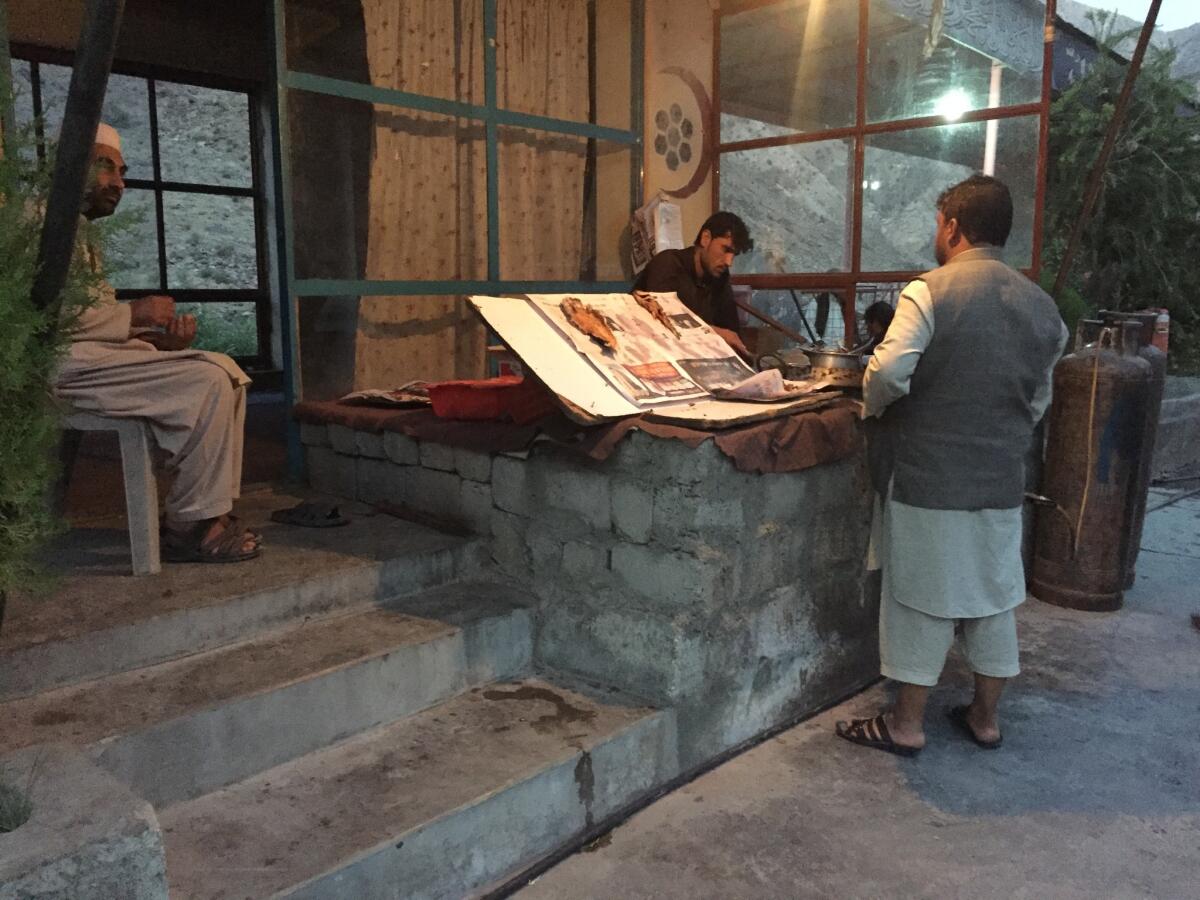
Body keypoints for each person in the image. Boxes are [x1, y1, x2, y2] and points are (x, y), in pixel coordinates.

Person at [836, 174, 1067, 756]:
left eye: (938, 224)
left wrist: (874, 405)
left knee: (919, 599)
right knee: (993, 600)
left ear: (954, 227)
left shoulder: (930, 290)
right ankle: (985, 719)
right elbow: (1038, 400)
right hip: (998, 482)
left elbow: (887, 372)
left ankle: (905, 724)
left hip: (927, 477)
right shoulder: (1043, 308)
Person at [55, 124, 261, 563]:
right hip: (58, 365)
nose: (119, 183)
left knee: (226, 370)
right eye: (105, 166)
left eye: (122, 171)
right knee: (206, 379)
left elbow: (93, 322)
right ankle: (190, 524)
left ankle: (209, 511)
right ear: (70, 163)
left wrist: (157, 340)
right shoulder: (42, 224)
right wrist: (134, 314)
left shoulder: (81, 234)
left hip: (87, 357)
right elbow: (45, 320)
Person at [633, 210, 753, 356]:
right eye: (725, 249)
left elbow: (731, 332)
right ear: (706, 238)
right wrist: (714, 333)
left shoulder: (719, 276)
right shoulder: (667, 264)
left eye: (734, 254)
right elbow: (663, 326)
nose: (729, 262)